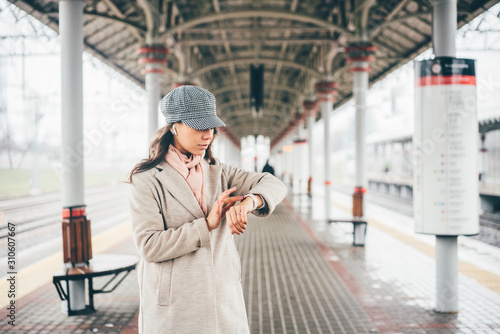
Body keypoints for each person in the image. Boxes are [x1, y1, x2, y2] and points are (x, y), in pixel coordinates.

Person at [128, 85, 287, 334]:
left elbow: (273, 184)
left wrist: (249, 201)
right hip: (176, 308)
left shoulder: (219, 172)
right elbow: (150, 246)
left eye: (211, 127)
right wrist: (207, 225)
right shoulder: (147, 180)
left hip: (222, 301)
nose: (208, 135)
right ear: (174, 126)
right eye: (199, 127)